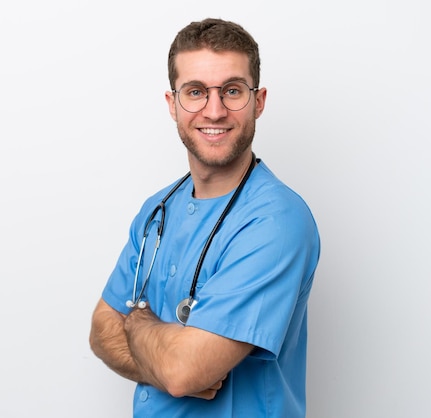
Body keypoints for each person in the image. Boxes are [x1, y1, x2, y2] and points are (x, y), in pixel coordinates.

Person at [89, 17, 320, 418]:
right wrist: (167, 360)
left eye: (232, 90)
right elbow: (100, 332)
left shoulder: (276, 221)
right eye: (195, 92)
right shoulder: (156, 210)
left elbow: (183, 372)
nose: (214, 111)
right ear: (172, 103)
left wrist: (138, 324)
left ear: (259, 100)